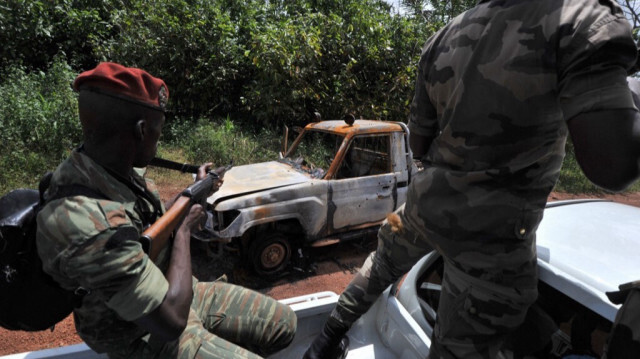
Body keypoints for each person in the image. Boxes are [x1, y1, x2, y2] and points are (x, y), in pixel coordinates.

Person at [304, 0, 640, 358]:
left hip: (426, 206)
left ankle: (324, 341)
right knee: (459, 345)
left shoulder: (442, 37)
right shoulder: (579, 17)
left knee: (382, 264)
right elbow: (611, 166)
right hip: (492, 239)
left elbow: (418, 143)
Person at [36, 62, 296, 358]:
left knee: (284, 324)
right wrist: (184, 230)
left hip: (174, 289)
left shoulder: (108, 168)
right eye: (158, 133)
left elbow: (148, 221)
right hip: (140, 329)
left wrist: (193, 193)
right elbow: (171, 323)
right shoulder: (89, 222)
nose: (158, 143)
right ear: (141, 130)